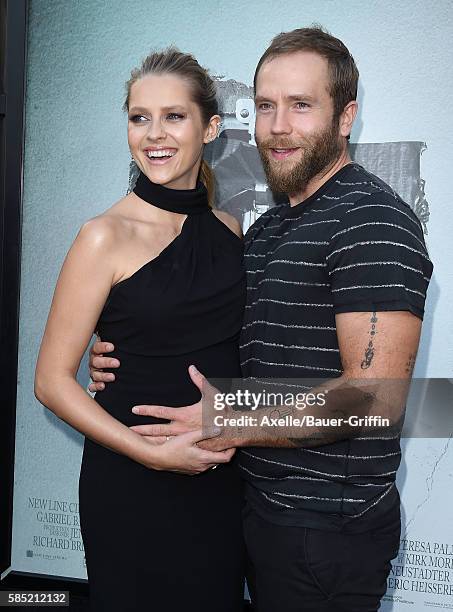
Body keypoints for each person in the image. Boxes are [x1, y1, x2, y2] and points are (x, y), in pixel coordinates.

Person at [89, 27, 433, 612]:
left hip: (325, 532)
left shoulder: (372, 221)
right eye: (267, 105)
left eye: (302, 106)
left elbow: (375, 399)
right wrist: (122, 340)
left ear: (345, 117)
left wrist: (226, 414)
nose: (278, 126)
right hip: (251, 511)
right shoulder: (269, 227)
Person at [34, 48, 247, 612]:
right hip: (131, 480)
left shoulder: (229, 229)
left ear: (212, 127)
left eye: (174, 116)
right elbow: (51, 381)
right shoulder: (103, 235)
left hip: (221, 481)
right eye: (139, 117)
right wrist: (147, 454)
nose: (154, 134)